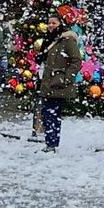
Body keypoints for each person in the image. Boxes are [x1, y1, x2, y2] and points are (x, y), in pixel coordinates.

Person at [39, 13, 82, 153]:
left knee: (51, 114)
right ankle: (51, 143)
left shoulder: (67, 40)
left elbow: (76, 61)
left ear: (60, 24)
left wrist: (66, 77)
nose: (50, 25)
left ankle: (51, 144)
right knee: (49, 114)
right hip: (48, 82)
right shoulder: (50, 39)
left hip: (58, 83)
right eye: (49, 23)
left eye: (54, 23)